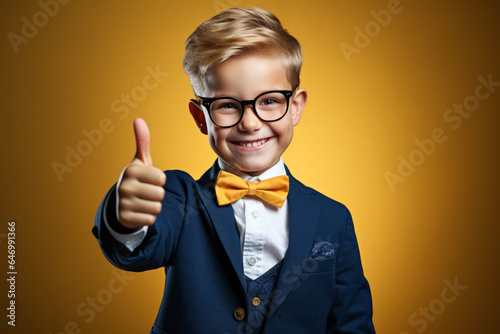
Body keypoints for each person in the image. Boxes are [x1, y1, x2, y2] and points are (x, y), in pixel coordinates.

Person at [92, 7, 375, 334]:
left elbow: (352, 325)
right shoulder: (175, 196)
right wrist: (126, 217)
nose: (250, 123)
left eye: (269, 101)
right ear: (201, 117)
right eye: (227, 105)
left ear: (295, 107)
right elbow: (136, 251)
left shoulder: (333, 218)